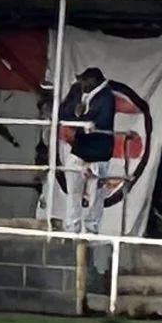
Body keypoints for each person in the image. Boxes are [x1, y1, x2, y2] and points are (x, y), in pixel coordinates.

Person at [59, 66, 122, 234]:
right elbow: (63, 111)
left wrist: (77, 125)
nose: (82, 85)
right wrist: (75, 122)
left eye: (85, 82)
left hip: (98, 152)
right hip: (78, 149)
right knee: (73, 193)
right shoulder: (77, 90)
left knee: (94, 197)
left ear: (93, 82)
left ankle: (91, 231)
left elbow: (100, 121)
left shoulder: (107, 97)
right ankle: (71, 229)